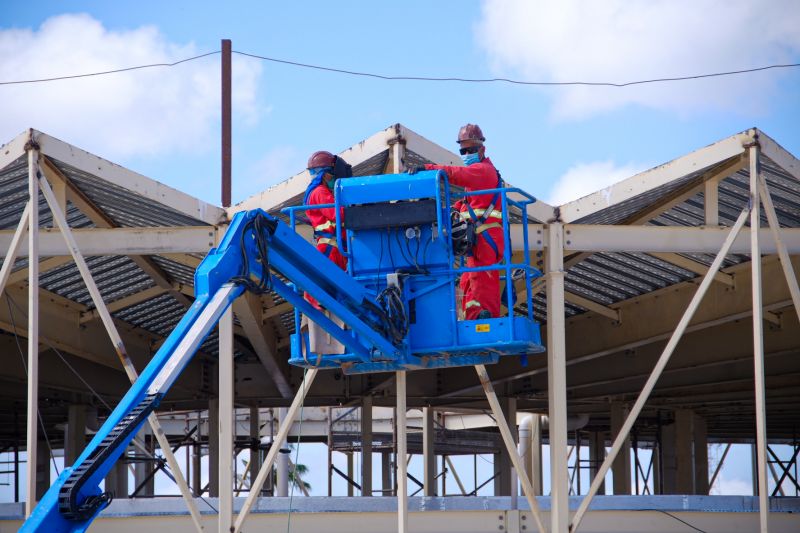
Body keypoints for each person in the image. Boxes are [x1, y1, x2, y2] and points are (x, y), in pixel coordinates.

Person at [410, 124, 504, 320]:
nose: (467, 153)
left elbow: (457, 174)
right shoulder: (479, 178)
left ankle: (485, 318)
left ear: (482, 149)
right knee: (468, 280)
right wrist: (454, 208)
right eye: (463, 150)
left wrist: (428, 169)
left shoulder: (483, 170)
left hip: (486, 236)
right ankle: (473, 316)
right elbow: (470, 204)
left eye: (470, 149)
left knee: (482, 278)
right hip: (480, 237)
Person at [303, 150, 350, 309]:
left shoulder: (316, 191)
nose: (333, 177)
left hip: (335, 246)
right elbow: (338, 214)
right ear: (323, 174)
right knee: (323, 282)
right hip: (331, 247)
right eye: (331, 173)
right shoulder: (320, 192)